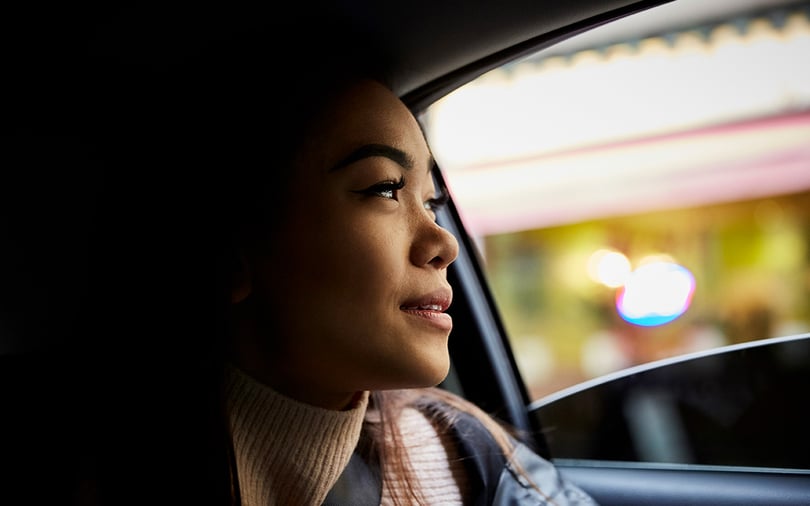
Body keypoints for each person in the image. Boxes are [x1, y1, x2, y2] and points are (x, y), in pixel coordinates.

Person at [31, 17, 599, 506]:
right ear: (234, 251)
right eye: (383, 189)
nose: (443, 242)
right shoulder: (79, 467)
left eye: (431, 202)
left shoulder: (460, 453)